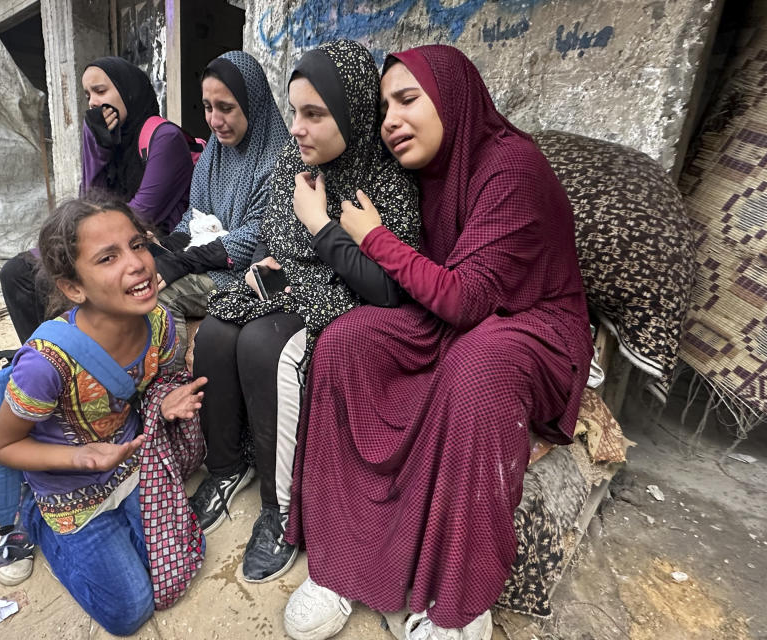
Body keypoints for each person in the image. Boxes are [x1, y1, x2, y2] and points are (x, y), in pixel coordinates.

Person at [281, 45, 594, 640]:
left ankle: (459, 603)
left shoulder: (512, 166)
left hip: (532, 323)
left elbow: (463, 299)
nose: (390, 120)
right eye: (382, 108)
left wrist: (370, 236)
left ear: (452, 98)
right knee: (347, 340)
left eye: (407, 100)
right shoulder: (427, 172)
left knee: (477, 370)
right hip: (458, 315)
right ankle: (343, 560)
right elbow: (442, 290)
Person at [188, 40, 421, 584]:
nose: (296, 127)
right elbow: (276, 233)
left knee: (266, 346)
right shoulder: (295, 163)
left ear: (354, 113)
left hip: (349, 298)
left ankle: (281, 507)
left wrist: (320, 224)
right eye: (294, 112)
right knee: (217, 333)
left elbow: (387, 288)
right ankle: (228, 468)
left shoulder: (385, 180)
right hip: (293, 283)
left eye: (314, 114)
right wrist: (267, 263)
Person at [0, 197, 208, 635]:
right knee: (130, 610)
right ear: (74, 288)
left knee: (174, 568)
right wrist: (80, 458)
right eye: (108, 258)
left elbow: (150, 385)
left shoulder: (161, 324)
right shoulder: (46, 363)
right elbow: (3, 446)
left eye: (138, 245)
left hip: (129, 467)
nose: (137, 265)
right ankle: (32, 517)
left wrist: (161, 404)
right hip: (68, 490)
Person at [1, 57, 195, 346]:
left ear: (127, 90)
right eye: (88, 95)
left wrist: (85, 245)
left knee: (79, 272)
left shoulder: (165, 139)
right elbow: (87, 205)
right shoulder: (108, 138)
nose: (93, 102)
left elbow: (140, 215)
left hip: (151, 243)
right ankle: (47, 358)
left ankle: (81, 355)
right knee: (17, 272)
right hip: (106, 238)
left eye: (101, 91)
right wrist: (97, 148)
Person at [153, 50, 290, 354]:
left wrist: (184, 260)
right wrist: (167, 246)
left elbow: (258, 234)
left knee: (160, 296)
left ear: (252, 104)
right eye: (207, 107)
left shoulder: (279, 161)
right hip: (205, 258)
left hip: (240, 275)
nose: (215, 120)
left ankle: (173, 386)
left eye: (226, 108)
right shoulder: (213, 154)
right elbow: (195, 214)